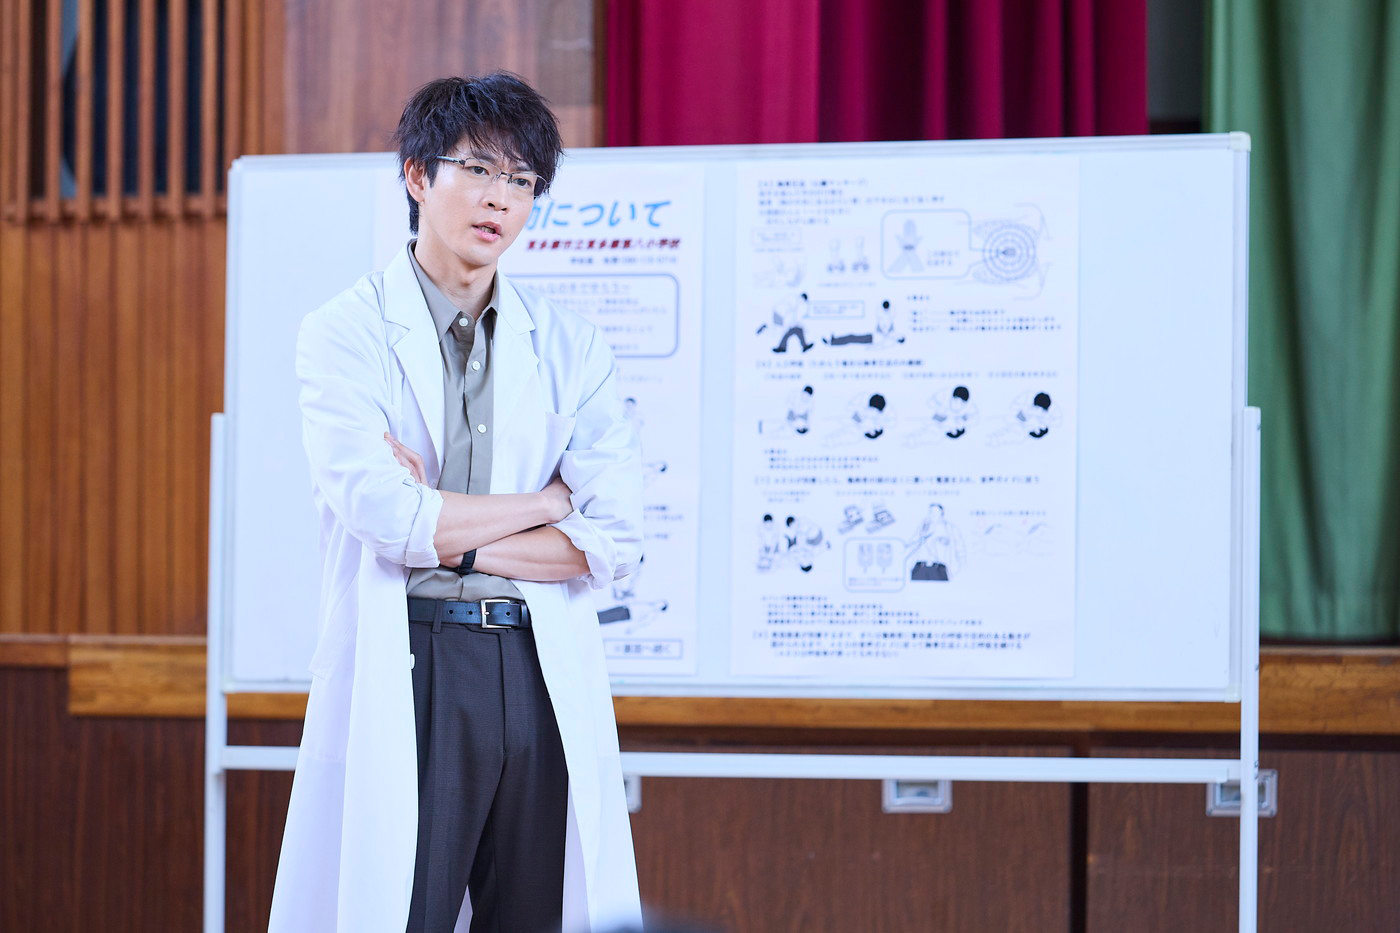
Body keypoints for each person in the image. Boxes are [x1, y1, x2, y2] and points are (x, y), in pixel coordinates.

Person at [268, 73, 645, 933]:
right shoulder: (345, 331)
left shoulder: (572, 345)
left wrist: (448, 525)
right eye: (477, 169)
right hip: (414, 654)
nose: (500, 199)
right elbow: (387, 517)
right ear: (416, 175)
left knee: (537, 914)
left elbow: (614, 538)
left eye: (521, 180)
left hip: (536, 663)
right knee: (407, 910)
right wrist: (546, 502)